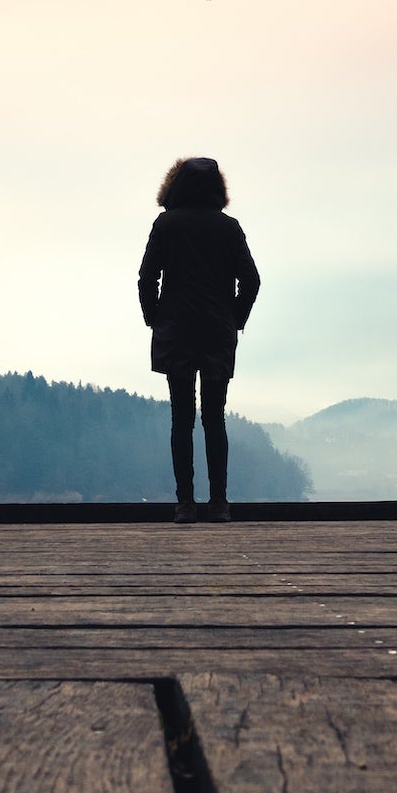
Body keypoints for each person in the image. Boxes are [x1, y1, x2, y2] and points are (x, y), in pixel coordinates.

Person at [137, 157, 260, 523]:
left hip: (176, 330)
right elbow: (251, 281)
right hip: (216, 331)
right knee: (214, 418)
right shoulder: (229, 227)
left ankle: (185, 504)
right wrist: (234, 318)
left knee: (181, 418)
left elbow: (147, 279)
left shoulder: (166, 225)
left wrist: (154, 319)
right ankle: (219, 503)